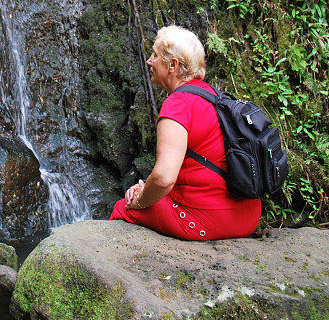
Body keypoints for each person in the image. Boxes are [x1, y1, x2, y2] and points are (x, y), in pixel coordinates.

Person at [109, 25, 261, 240]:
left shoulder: (178, 105)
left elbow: (163, 179)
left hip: (208, 220)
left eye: (154, 55)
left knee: (122, 208)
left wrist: (140, 201)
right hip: (248, 215)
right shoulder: (212, 95)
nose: (149, 61)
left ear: (172, 65)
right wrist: (147, 190)